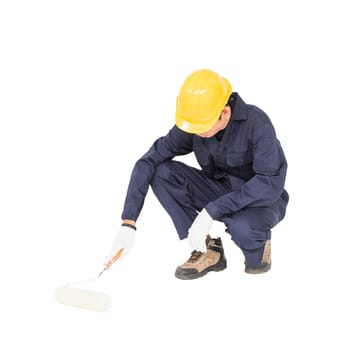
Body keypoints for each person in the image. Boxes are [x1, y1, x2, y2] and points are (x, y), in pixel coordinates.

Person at [104, 69, 289, 280]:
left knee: (244, 232)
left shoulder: (257, 123)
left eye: (202, 127)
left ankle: (259, 242)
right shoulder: (196, 123)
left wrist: (212, 211)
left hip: (261, 199)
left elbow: (269, 183)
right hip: (219, 189)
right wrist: (129, 222)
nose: (196, 132)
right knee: (161, 172)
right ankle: (209, 249)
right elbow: (147, 162)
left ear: (225, 113)